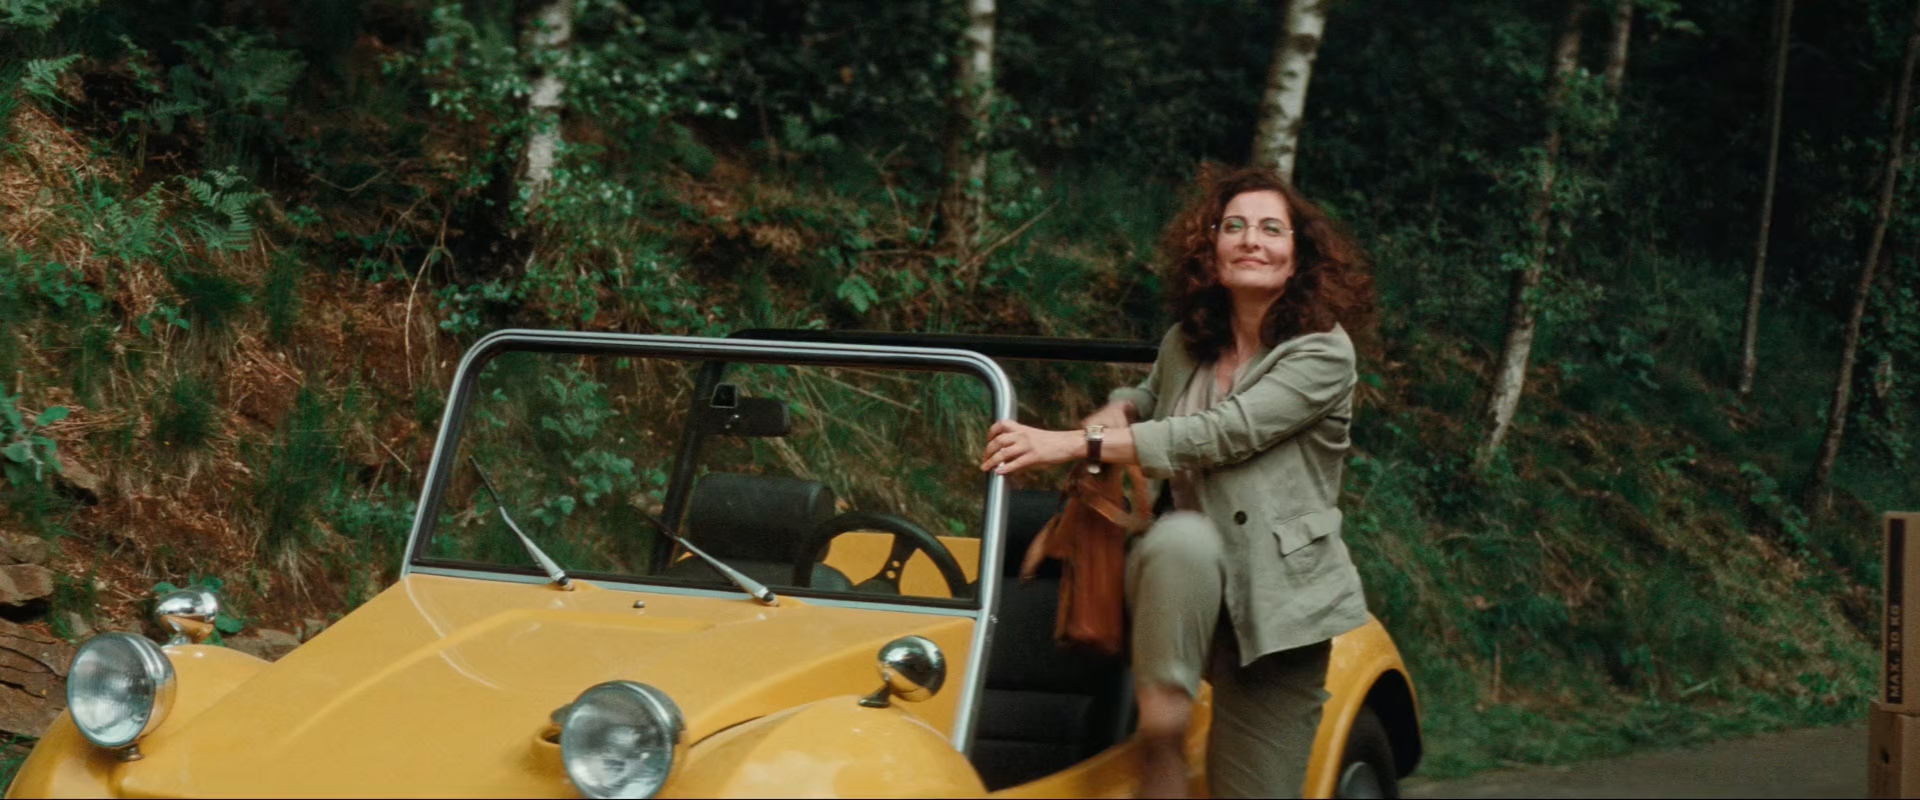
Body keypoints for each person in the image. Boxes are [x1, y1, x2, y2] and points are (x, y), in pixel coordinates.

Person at [978, 164, 1376, 799]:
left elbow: (1223, 432)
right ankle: (1162, 728)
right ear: (1210, 247)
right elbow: (1149, 396)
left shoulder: (1322, 351)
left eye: (1271, 229)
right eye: (1233, 226)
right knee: (1183, 538)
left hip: (1277, 599)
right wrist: (1120, 407)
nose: (1251, 240)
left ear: (1298, 257)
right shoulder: (1187, 342)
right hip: (1177, 584)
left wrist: (1072, 442)